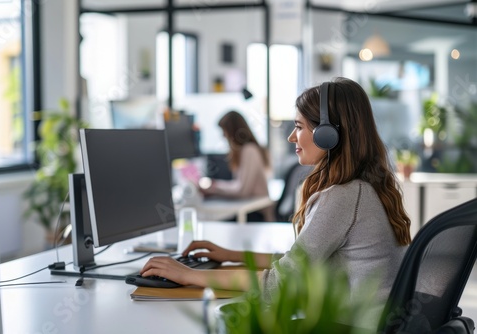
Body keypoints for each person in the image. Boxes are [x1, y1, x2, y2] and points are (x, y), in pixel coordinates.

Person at [140, 77, 411, 327]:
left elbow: (276, 284)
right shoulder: (365, 187)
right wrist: (231, 255)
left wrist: (189, 275)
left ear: (328, 134)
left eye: (298, 127)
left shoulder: (344, 196)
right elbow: (299, 263)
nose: (292, 137)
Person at [199, 110, 274, 222]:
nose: (223, 136)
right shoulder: (243, 151)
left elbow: (242, 190)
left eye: (224, 131)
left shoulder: (250, 150)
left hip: (256, 213)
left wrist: (214, 187)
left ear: (232, 131)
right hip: (250, 208)